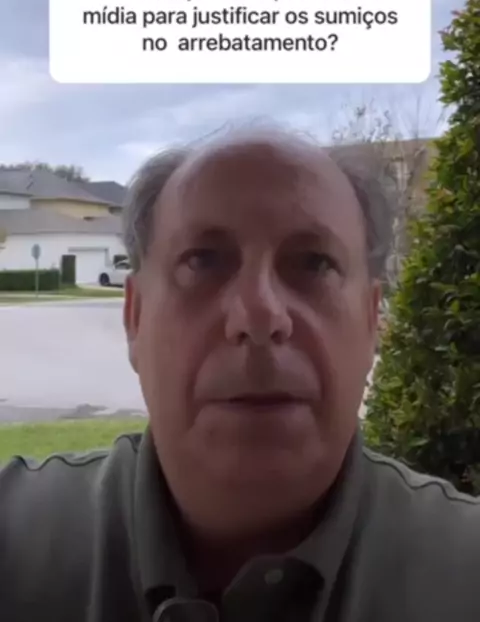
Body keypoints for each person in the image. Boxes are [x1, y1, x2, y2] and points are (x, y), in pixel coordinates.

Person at [1, 124, 479, 622]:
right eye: (203, 261)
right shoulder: (13, 541)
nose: (259, 314)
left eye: (313, 264)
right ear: (135, 317)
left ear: (371, 320)